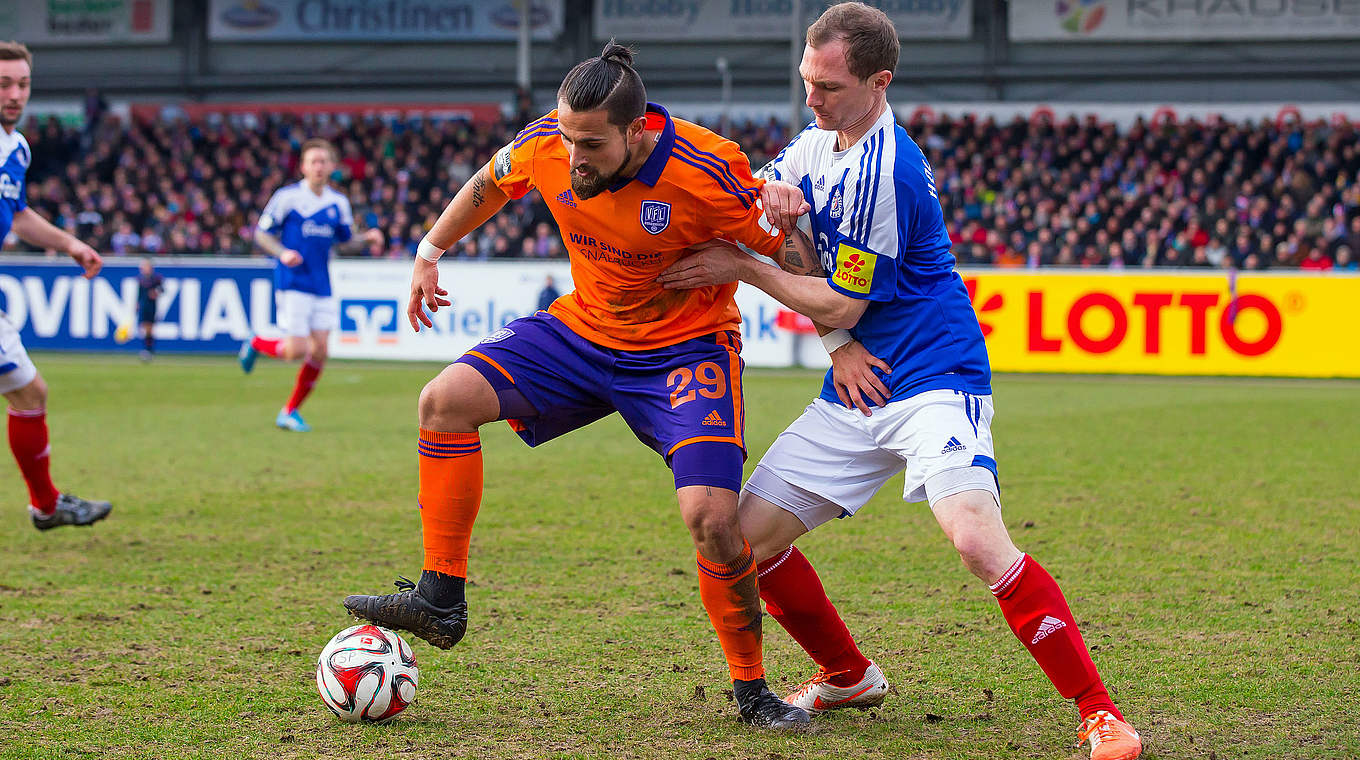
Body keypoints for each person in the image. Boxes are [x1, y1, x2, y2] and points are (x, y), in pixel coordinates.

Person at [657, 5, 1142, 759]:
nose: (811, 100)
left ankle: (1099, 711)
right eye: (805, 82)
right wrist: (773, 212)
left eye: (829, 86)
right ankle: (847, 675)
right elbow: (773, 225)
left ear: (880, 82)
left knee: (979, 542)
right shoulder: (818, 144)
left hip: (932, 376)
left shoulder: (891, 169)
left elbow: (834, 292)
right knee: (740, 543)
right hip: (858, 381)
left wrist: (747, 266)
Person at [342, 42, 809, 730]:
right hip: (583, 334)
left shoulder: (707, 171)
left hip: (685, 352)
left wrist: (780, 226)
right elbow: (492, 180)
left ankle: (752, 691)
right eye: (566, 139)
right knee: (442, 402)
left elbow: (797, 262)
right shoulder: (548, 144)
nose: (572, 158)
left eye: (589, 145)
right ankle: (440, 595)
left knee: (712, 519)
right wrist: (428, 252)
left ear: (638, 129)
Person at [0, 41, 112, 530]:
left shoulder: (17, 148)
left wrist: (71, 244)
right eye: (4, 83)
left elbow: (18, 213)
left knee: (30, 393)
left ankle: (46, 506)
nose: (15, 94)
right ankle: (45, 505)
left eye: (22, 83)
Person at [237, 138, 382, 432]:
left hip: (322, 284)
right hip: (293, 281)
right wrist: (282, 253)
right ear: (303, 166)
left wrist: (366, 238)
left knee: (320, 351)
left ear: (331, 167)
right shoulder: (287, 198)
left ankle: (289, 411)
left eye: (323, 161)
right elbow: (261, 235)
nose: (318, 166)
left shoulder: (337, 203)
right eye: (313, 161)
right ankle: (256, 342)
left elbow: (345, 240)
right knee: (295, 350)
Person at [135, 257, 163, 361]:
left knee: (150, 328)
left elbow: (162, 289)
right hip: (143, 305)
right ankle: (147, 349)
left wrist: (156, 293)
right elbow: (139, 293)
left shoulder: (156, 279)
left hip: (151, 306)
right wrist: (137, 303)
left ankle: (149, 349)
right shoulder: (141, 279)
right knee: (144, 327)